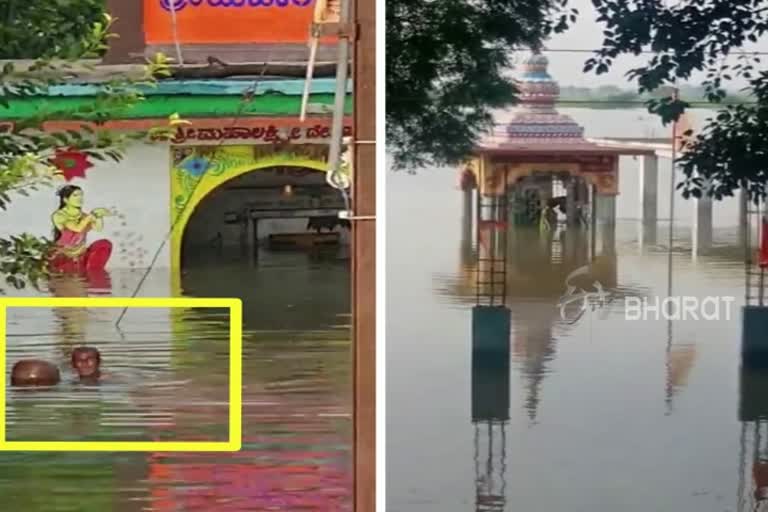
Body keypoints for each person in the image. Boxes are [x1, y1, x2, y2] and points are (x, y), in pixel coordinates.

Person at [49, 185, 114, 274]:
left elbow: (98, 228)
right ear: (66, 199)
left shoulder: (84, 216)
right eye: (75, 195)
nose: (80, 198)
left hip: (80, 252)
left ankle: (91, 271)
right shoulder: (59, 215)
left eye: (81, 195)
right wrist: (91, 216)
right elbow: (77, 228)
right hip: (63, 254)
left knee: (104, 244)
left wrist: (98, 216)